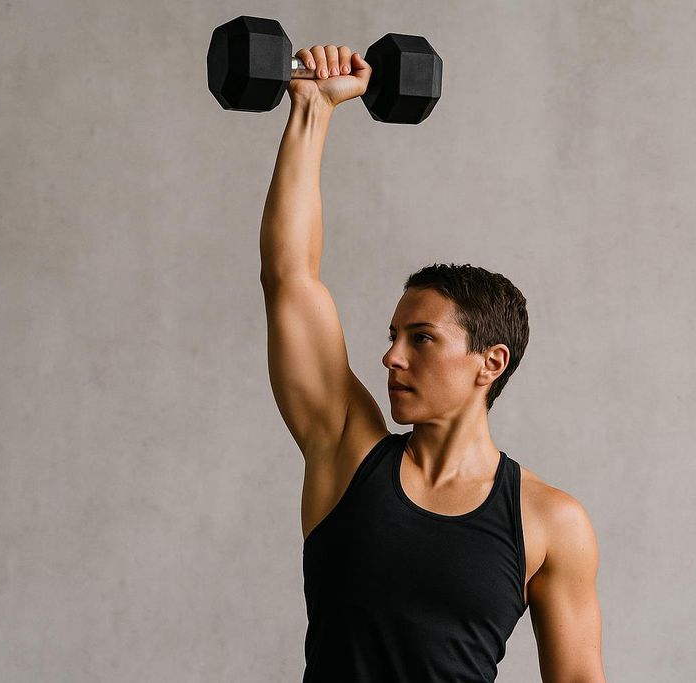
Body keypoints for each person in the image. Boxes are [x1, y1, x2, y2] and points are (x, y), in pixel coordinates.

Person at [259, 42, 607, 683]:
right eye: (394, 335)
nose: (391, 356)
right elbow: (291, 279)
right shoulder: (346, 454)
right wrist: (310, 110)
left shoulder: (550, 522)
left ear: (489, 362)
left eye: (422, 339)